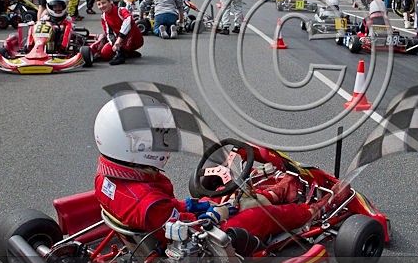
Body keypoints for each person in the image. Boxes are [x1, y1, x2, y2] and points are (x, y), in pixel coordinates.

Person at [92, 98, 351, 248]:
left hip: (160, 227)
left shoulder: (109, 177)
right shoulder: (149, 202)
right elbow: (183, 228)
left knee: (225, 199)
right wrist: (213, 214)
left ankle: (276, 191)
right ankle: (315, 210)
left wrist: (199, 204)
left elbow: (169, 212)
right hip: (195, 244)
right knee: (264, 216)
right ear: (133, 147)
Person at [93, 0, 144, 65]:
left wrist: (119, 40)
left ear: (110, 2)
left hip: (134, 38)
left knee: (130, 23)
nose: (102, 6)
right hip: (120, 40)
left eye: (104, 3)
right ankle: (127, 52)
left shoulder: (121, 10)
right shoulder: (104, 17)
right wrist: (114, 44)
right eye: (99, 4)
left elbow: (128, 20)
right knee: (104, 54)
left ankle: (122, 53)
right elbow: (109, 33)